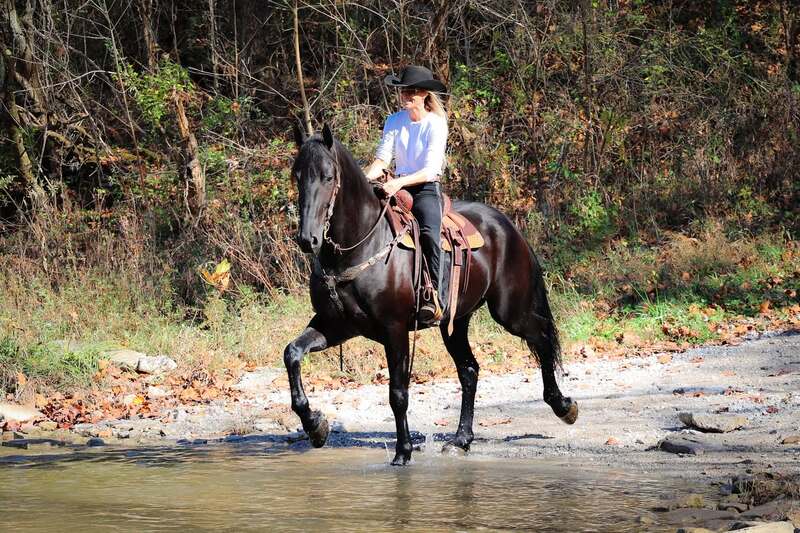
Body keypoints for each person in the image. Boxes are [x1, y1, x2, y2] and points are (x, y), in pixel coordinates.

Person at [364, 65, 449, 325]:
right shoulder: (394, 121)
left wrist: (398, 183)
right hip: (396, 186)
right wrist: (363, 179)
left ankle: (435, 295)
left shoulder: (436, 124)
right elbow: (381, 160)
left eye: (413, 91)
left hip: (423, 188)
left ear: (425, 94)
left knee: (428, 234)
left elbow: (429, 170)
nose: (407, 95)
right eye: (404, 91)